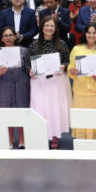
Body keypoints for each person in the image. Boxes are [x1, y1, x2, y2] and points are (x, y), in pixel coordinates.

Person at [25, 16, 71, 149]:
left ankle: (54, 136)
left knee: (54, 109)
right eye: (47, 25)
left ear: (55, 28)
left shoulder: (62, 44)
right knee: (40, 108)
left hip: (56, 82)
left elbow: (67, 61)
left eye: (52, 26)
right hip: (38, 82)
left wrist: (63, 66)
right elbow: (27, 64)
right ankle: (40, 136)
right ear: (42, 27)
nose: (49, 28)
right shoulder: (34, 45)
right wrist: (30, 70)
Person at [68, 22, 96, 139]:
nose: (91, 35)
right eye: (89, 32)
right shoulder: (76, 49)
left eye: (94, 33)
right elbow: (71, 66)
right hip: (81, 93)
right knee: (83, 119)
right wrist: (71, 70)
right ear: (85, 33)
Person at [0, 26, 31, 148]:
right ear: (2, 38)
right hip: (3, 85)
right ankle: (9, 140)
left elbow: (29, 68)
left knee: (22, 111)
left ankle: (22, 139)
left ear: (15, 37)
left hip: (21, 84)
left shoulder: (24, 51)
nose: (8, 38)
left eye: (10, 35)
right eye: (5, 36)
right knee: (6, 112)